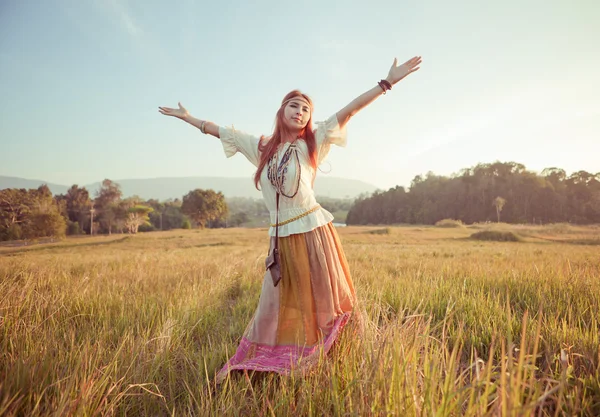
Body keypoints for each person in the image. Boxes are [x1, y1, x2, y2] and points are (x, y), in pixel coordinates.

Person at [159, 56, 422, 382]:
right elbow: (218, 130)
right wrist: (188, 118)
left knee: (322, 297)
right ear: (282, 110)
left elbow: (351, 108)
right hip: (280, 237)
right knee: (277, 300)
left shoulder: (314, 141)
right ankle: (276, 356)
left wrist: (387, 82)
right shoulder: (262, 147)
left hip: (313, 230)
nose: (300, 112)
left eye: (305, 109)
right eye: (294, 106)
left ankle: (330, 355)